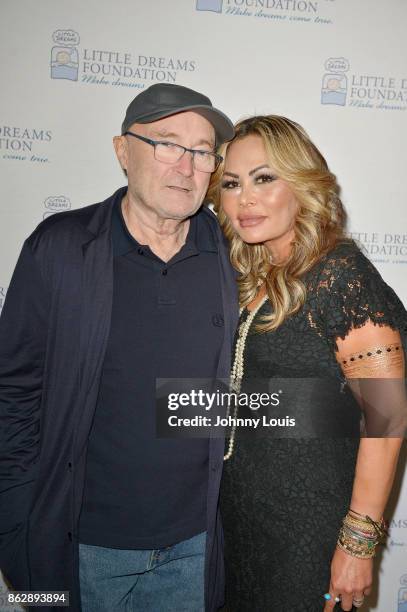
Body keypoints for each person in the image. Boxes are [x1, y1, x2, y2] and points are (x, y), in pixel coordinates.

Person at [0, 83, 239, 612]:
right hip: (75, 551)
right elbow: (12, 398)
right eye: (168, 143)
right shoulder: (59, 248)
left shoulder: (232, 255)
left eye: (203, 152)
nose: (187, 165)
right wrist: (16, 537)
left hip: (192, 554)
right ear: (121, 150)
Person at [208, 115, 407, 611]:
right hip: (239, 521)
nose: (244, 199)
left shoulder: (338, 273)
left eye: (264, 178)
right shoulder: (250, 274)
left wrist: (358, 545)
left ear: (301, 183)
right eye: (231, 183)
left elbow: (388, 414)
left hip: (307, 527)